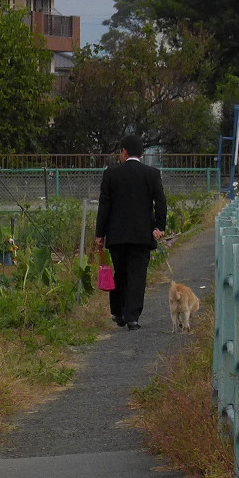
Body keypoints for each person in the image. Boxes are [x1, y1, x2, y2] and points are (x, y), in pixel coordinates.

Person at [95, 134, 166, 331]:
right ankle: (132, 317)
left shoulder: (111, 174)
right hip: (142, 235)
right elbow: (161, 202)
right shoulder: (151, 174)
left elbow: (104, 206)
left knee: (120, 273)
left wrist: (99, 234)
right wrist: (159, 227)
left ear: (124, 152)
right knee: (137, 275)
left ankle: (118, 313)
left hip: (117, 235)